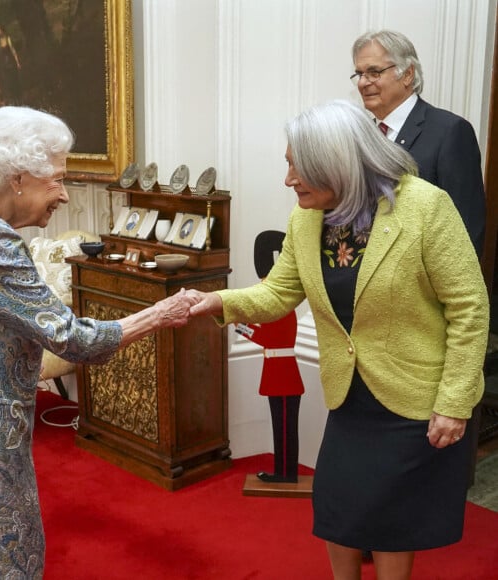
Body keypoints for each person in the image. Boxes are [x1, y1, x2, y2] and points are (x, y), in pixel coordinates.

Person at [187, 99, 489, 580]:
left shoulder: (426, 207)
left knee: (390, 521)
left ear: (339, 163)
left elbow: (470, 308)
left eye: (296, 166)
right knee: (338, 509)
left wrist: (454, 400)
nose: (288, 179)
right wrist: (215, 303)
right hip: (351, 397)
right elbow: (278, 293)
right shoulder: (307, 217)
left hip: (412, 398)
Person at [0, 106, 193, 578]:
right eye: (59, 180)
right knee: (0, 555)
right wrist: (159, 314)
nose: (65, 195)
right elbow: (73, 339)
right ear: (20, 177)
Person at [351, 29, 486, 256]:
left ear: (407, 74)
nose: (364, 82)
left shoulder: (450, 131)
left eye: (374, 72)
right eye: (359, 74)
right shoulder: (363, 135)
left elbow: (466, 225)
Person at [235, 230, 304, 483]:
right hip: (278, 370)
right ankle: (284, 471)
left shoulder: (280, 305)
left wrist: (241, 326)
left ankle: (286, 473)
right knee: (282, 428)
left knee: (285, 428)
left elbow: (268, 338)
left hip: (282, 372)